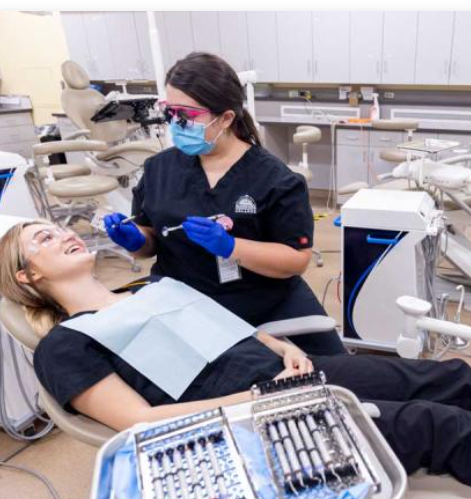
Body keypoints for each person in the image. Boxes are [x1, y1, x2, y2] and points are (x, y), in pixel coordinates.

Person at [0, 221, 471, 499]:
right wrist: (257, 395)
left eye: (57, 227)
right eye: (42, 240)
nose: (64, 233)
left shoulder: (148, 290)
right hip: (249, 421)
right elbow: (139, 423)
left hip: (284, 376)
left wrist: (277, 347)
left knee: (450, 377)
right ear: (27, 278)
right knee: (438, 425)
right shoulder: (65, 346)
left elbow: (221, 333)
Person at [103, 52, 344, 356]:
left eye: (187, 115)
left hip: (258, 299)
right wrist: (137, 240)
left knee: (336, 370)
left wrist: (231, 247)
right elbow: (150, 241)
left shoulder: (276, 180)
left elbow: (296, 260)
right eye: (170, 112)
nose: (176, 123)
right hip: (180, 301)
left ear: (226, 118)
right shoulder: (158, 169)